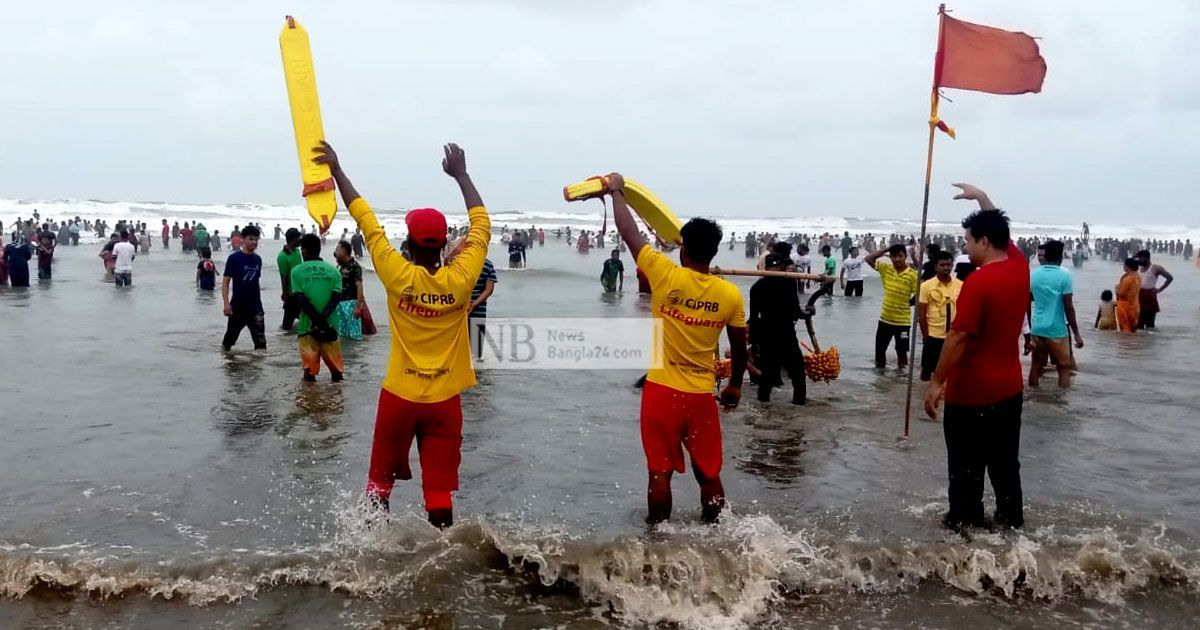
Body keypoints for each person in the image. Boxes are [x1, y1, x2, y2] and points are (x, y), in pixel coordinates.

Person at [315, 141, 489, 529]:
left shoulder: (396, 272)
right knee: (440, 493)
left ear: (407, 245)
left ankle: (375, 558)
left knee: (379, 484)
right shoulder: (462, 279)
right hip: (445, 402)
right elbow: (482, 224)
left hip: (400, 397)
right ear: (446, 245)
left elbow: (366, 221)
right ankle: (443, 566)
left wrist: (338, 171)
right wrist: (461, 175)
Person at [606, 172, 747, 525]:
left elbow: (630, 234)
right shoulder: (729, 294)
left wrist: (616, 192)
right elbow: (740, 349)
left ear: (682, 248)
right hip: (700, 394)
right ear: (714, 252)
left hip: (661, 392)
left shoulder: (665, 274)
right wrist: (735, 385)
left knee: (659, 473)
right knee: (709, 473)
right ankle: (715, 537)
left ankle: (658, 542)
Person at [924, 183, 1028, 531]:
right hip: (1010, 390)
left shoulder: (978, 283)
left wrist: (936, 381)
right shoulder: (1019, 265)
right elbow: (1002, 229)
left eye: (968, 240)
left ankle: (964, 535)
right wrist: (982, 197)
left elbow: (957, 337)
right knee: (1005, 468)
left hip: (971, 396)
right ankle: (1012, 527)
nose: (965, 247)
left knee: (965, 472)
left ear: (984, 241)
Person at [749, 252, 808, 405]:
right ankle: (799, 404)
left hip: (766, 335)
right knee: (798, 373)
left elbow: (754, 318)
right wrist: (808, 313)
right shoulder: (788, 283)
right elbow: (797, 312)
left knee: (766, 374)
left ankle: (763, 406)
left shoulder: (756, 287)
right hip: (785, 333)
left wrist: (754, 343)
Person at [1028, 240, 1084, 388]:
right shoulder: (1064, 275)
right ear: (1060, 257)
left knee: (1036, 366)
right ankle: (1062, 401)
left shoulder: (1034, 275)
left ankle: (1033, 395)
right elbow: (1068, 306)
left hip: (1037, 327)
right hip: (1057, 330)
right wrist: (1076, 333)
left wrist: (1027, 328)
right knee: (1064, 367)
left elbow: (1027, 301)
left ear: (1045, 256)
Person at [291, 234, 345, 382]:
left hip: (307, 328)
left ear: (304, 251)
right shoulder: (334, 271)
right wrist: (323, 320)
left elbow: (301, 299)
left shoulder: (296, 271)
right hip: (330, 326)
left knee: (309, 372)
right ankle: (337, 401)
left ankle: (310, 402)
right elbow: (336, 298)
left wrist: (316, 320)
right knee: (337, 373)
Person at [865, 243, 919, 369]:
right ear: (890, 257)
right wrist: (887, 249)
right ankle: (880, 379)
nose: (897, 259)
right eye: (894, 256)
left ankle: (900, 380)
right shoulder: (886, 268)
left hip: (903, 323)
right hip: (885, 320)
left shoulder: (913, 275)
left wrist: (907, 304)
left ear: (905, 256)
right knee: (879, 352)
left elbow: (919, 295)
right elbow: (868, 259)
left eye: (900, 256)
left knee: (902, 353)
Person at [917, 251, 962, 382]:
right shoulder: (926, 286)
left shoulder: (960, 285)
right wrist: (926, 336)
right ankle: (921, 396)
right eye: (942, 265)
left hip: (953, 336)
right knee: (926, 372)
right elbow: (921, 313)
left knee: (952, 371)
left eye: (949, 264)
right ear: (936, 266)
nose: (946, 268)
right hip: (933, 335)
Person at [221, 225, 266, 351]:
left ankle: (257, 370)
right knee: (228, 343)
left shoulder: (258, 259)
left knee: (261, 345)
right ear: (243, 239)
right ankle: (229, 366)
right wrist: (226, 303)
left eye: (256, 239)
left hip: (256, 308)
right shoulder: (234, 259)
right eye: (251, 239)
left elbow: (255, 282)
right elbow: (225, 282)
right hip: (237, 307)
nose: (254, 242)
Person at [333, 240, 366, 341]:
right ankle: (346, 355)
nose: (335, 252)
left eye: (338, 249)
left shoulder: (355, 266)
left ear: (344, 250)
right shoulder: (341, 266)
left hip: (351, 303)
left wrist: (358, 307)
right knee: (343, 334)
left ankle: (356, 354)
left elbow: (359, 286)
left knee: (355, 334)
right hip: (341, 303)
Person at [1135, 250, 1173, 330]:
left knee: (1150, 325)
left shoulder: (1155, 268)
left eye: (1140, 259)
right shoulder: (1139, 268)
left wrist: (1159, 289)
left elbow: (1170, 278)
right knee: (1138, 325)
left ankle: (1150, 341)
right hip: (1139, 297)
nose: (1139, 261)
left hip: (1149, 297)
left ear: (1147, 258)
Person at [278, 228, 304, 331]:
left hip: (301, 290)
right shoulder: (282, 256)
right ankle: (283, 340)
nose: (300, 240)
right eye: (299, 238)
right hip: (291, 293)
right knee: (287, 324)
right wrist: (285, 294)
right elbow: (283, 277)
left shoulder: (297, 251)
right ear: (293, 239)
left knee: (302, 316)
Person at [1115, 258, 1141, 333]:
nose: (1123, 266)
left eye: (1124, 265)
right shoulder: (1138, 277)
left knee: (1125, 329)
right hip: (1135, 306)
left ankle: (1125, 345)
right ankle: (1134, 344)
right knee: (1134, 329)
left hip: (1125, 307)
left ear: (1128, 266)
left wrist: (1116, 288)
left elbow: (1121, 293)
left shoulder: (1127, 279)